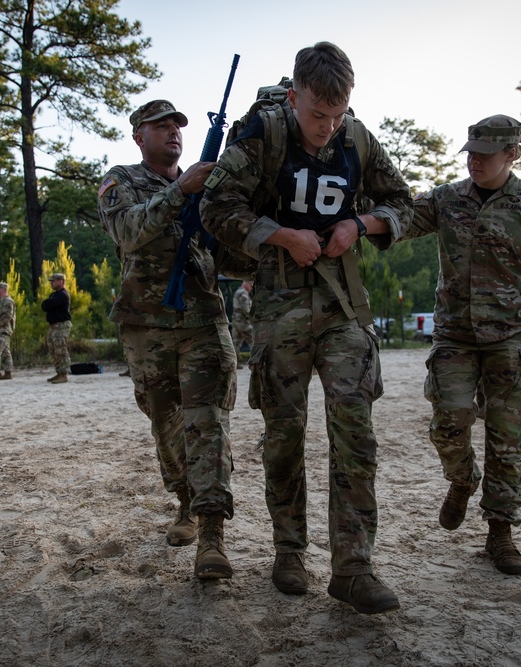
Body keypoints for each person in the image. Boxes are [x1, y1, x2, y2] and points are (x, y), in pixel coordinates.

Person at [200, 42, 412, 614]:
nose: (327, 127)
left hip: (344, 306)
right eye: (318, 114)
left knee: (355, 433)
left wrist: (362, 224)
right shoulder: (264, 136)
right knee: (284, 437)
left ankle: (353, 567)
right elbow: (216, 205)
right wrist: (280, 234)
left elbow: (403, 203)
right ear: (294, 98)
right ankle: (289, 552)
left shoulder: (358, 139)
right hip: (279, 307)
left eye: (337, 114)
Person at [406, 114, 521, 576]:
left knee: (507, 437)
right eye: (470, 153)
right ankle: (462, 479)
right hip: (455, 334)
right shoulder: (446, 199)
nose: (474, 162)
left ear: (513, 154)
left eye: (485, 155)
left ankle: (500, 532)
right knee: (448, 421)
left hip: (509, 335)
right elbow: (398, 220)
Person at [97, 99, 237, 581]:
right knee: (167, 424)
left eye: (178, 126)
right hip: (147, 325)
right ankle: (185, 503)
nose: (173, 133)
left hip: (202, 320)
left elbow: (226, 248)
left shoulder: (205, 184)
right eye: (161, 126)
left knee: (207, 424)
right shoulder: (122, 181)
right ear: (139, 136)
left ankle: (213, 536)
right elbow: (129, 231)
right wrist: (182, 189)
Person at [41, 272, 72, 384]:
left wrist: (48, 304)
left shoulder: (63, 294)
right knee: (53, 349)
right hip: (54, 326)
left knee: (60, 349)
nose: (52, 283)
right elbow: (44, 305)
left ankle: (64, 374)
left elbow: (48, 304)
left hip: (61, 325)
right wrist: (48, 304)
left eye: (53, 281)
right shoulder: (54, 295)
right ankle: (59, 371)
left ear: (61, 281)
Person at [230, 280, 253, 367]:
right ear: (246, 284)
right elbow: (245, 309)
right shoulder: (243, 294)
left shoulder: (238, 292)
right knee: (253, 341)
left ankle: (234, 363)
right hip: (243, 322)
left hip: (236, 321)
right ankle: (255, 362)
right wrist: (251, 318)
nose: (251, 288)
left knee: (236, 342)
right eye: (250, 286)